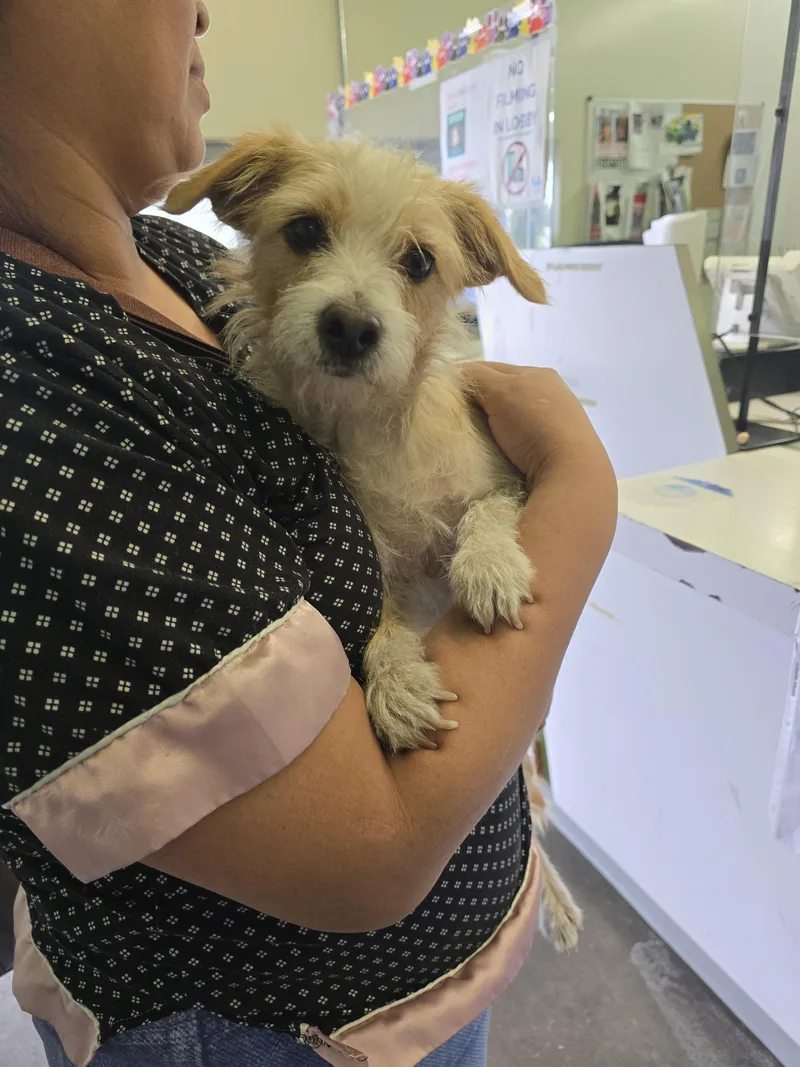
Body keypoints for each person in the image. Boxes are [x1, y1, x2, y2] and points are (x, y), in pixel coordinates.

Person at [0, 2, 617, 1066]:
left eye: (412, 261)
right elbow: (366, 852)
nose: (202, 9)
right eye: (304, 231)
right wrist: (580, 489)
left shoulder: (161, 260)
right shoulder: (37, 379)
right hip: (264, 1029)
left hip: (421, 988)